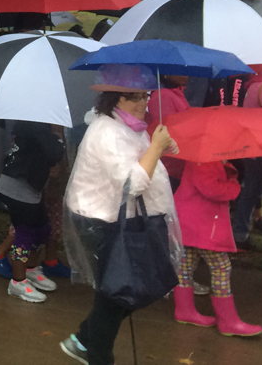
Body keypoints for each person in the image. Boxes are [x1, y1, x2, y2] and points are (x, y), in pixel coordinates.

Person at [60, 65, 180, 365]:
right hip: (100, 221)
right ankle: (97, 355)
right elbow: (132, 184)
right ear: (113, 98)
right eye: (132, 96)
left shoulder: (130, 126)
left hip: (121, 218)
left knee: (122, 291)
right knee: (116, 294)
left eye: (145, 95)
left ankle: (84, 339)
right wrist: (155, 148)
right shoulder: (108, 132)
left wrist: (159, 147)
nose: (142, 102)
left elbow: (140, 163)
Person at [170, 158, 262, 335]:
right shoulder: (205, 161)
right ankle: (228, 320)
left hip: (189, 222)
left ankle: (184, 310)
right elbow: (211, 189)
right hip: (203, 225)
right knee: (221, 267)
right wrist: (234, 186)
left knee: (186, 265)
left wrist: (227, 170)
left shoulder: (202, 159)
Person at [0, 121, 66, 303]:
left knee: (42, 229)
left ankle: (31, 269)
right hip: (18, 188)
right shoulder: (36, 125)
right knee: (24, 235)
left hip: (29, 187)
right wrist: (57, 136)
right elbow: (55, 153)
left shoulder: (37, 125)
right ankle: (18, 282)